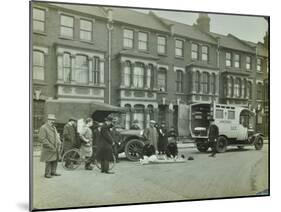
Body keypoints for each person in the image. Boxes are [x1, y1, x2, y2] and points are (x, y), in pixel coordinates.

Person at [38, 114, 61, 178]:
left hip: (55, 146)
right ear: (47, 120)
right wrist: (50, 145)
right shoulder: (43, 127)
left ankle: (53, 172)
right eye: (51, 120)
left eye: (53, 120)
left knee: (55, 159)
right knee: (48, 160)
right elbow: (42, 138)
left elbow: (56, 136)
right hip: (48, 147)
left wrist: (59, 142)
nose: (52, 121)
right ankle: (47, 173)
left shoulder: (54, 127)